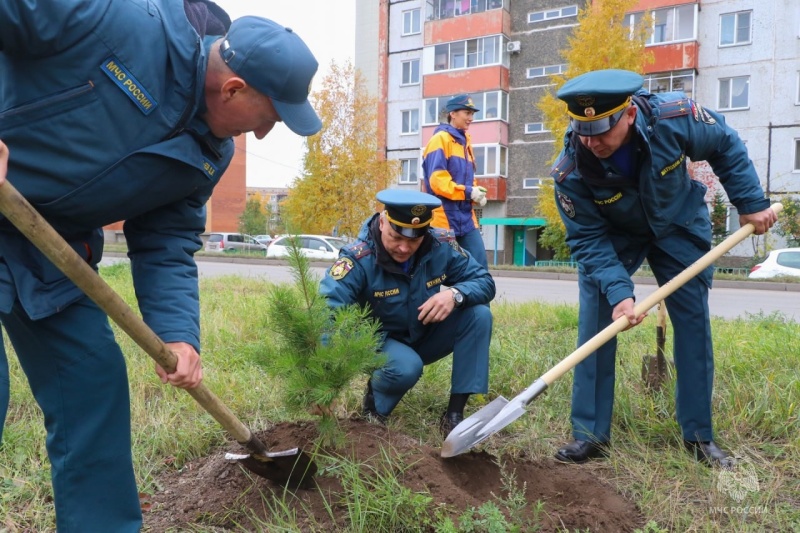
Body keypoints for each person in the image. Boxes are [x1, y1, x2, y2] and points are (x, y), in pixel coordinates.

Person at [0, 1, 321, 530]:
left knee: (91, 383)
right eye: (270, 118)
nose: (264, 135)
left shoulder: (208, 154)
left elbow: (167, 239)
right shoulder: (120, 21)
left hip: (50, 247)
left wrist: (178, 335)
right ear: (234, 89)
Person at [550, 69, 776, 468]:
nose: (592, 141)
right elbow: (587, 240)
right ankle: (590, 436)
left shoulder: (674, 117)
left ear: (630, 115)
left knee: (692, 323)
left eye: (602, 130)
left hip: (677, 223)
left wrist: (750, 201)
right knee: (598, 328)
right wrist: (621, 294)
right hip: (614, 237)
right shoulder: (571, 170)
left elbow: (724, 143)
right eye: (583, 130)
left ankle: (698, 437)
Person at [319, 189, 495, 436]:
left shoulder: (439, 245)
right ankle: (375, 409)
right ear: (382, 222)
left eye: (413, 240)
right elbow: (328, 309)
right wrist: (324, 382)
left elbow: (484, 281)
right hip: (376, 341)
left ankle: (454, 416)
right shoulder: (359, 258)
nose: (403, 248)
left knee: (479, 315)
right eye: (395, 237)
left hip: (421, 332)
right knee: (406, 366)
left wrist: (454, 294)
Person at [422, 94, 490, 270]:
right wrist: (468, 192)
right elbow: (437, 181)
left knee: (479, 268)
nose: (471, 118)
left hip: (466, 219)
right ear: (453, 113)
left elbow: (468, 178)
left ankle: (478, 299)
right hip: (443, 219)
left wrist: (476, 195)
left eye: (472, 113)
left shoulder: (466, 142)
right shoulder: (440, 139)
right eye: (467, 113)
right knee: (435, 273)